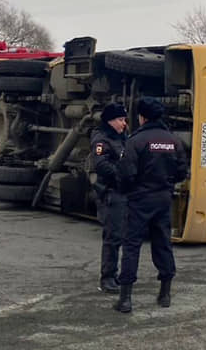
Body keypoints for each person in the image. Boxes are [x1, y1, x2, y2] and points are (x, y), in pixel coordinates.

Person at [114, 97, 190, 313]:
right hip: (164, 199)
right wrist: (165, 186)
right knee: (163, 243)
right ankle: (165, 294)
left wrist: (127, 190)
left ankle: (125, 299)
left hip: (139, 200)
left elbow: (126, 173)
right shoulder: (174, 141)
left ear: (142, 117)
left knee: (131, 246)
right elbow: (181, 172)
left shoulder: (136, 141)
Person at [89, 103, 128, 294]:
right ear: (110, 121)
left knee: (121, 236)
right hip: (111, 193)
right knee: (112, 237)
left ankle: (116, 275)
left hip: (122, 192)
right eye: (120, 120)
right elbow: (101, 165)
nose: (124, 124)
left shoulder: (121, 138)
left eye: (124, 119)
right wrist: (123, 175)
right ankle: (108, 277)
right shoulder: (101, 139)